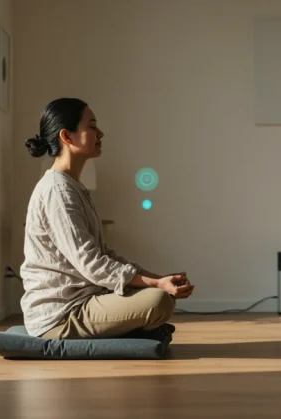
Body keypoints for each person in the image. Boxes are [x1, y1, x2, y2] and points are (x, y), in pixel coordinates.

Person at [19, 98, 194, 339]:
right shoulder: (57, 191)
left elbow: (103, 254)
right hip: (62, 314)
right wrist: (155, 286)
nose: (100, 133)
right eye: (91, 126)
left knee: (157, 296)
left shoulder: (73, 187)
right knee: (159, 301)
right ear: (67, 137)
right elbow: (90, 262)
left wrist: (157, 278)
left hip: (87, 300)